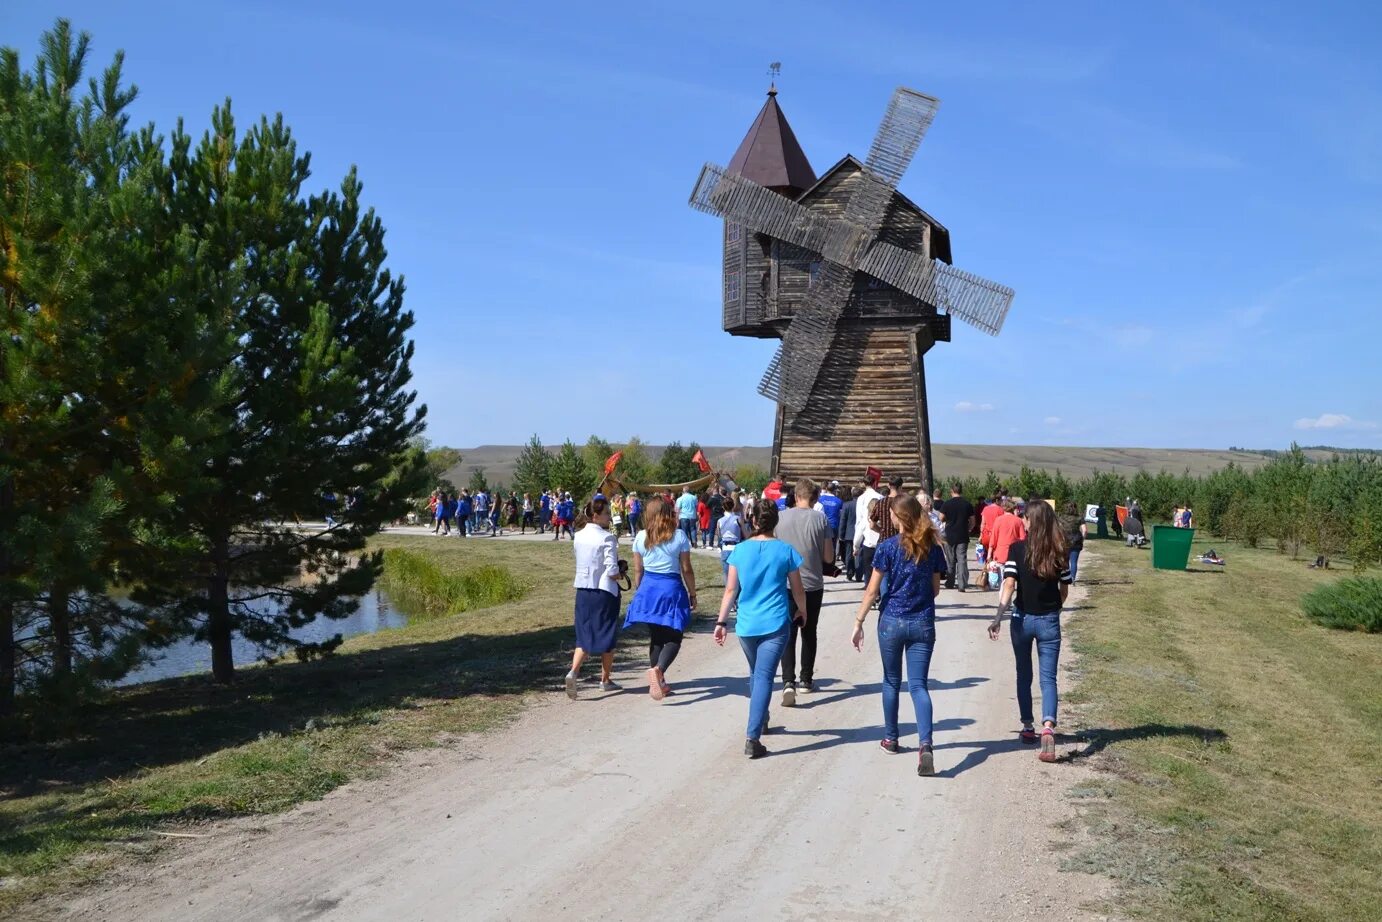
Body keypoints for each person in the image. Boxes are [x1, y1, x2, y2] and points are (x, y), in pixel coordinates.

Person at [851, 495, 948, 776]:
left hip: (891, 621)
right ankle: (926, 745)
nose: (890, 518)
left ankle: (891, 738)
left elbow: (872, 591)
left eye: (893, 514)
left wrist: (858, 621)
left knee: (891, 681)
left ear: (901, 517)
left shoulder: (887, 548)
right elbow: (936, 589)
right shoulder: (933, 548)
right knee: (919, 686)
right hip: (922, 622)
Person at [714, 499, 807, 759]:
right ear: (775, 521)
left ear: (753, 521)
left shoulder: (740, 551)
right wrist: (803, 610)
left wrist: (721, 622)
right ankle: (752, 737)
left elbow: (731, 590)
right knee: (764, 676)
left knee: (756, 673)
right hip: (775, 623)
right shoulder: (785, 551)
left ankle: (762, 717)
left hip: (746, 625)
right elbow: (797, 589)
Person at [987, 500, 1071, 762]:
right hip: (1049, 621)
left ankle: (1027, 727)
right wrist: (1056, 608)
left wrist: (998, 617)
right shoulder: (1059, 550)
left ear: (1032, 521)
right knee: (1049, 678)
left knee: (1024, 674)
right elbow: (1065, 588)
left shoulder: (1017, 549)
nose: (1022, 521)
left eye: (1025, 518)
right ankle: (1048, 726)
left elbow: (1009, 584)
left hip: (1022, 619)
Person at [625, 497, 697, 699]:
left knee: (656, 638)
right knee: (675, 636)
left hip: (649, 588)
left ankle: (658, 680)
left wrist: (640, 593)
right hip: (671, 588)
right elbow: (686, 569)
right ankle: (659, 671)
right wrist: (692, 592)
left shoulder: (640, 537)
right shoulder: (679, 536)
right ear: (667, 512)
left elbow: (638, 570)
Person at [775, 478, 835, 703]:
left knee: (787, 633)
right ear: (815, 498)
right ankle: (806, 679)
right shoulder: (821, 519)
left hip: (786, 584)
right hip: (812, 583)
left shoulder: (780, 518)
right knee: (809, 632)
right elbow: (829, 557)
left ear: (795, 495)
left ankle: (788, 680)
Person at [565, 498, 623, 697]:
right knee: (607, 633)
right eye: (607, 514)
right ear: (595, 516)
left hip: (583, 589)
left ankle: (573, 671)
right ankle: (605, 679)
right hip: (603, 591)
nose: (609, 517)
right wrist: (621, 573)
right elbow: (611, 569)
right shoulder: (607, 538)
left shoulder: (578, 536)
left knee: (584, 634)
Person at [938, 483, 975, 591]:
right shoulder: (967, 504)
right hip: (962, 534)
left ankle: (950, 582)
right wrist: (968, 528)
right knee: (962, 559)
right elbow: (973, 521)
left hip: (949, 534)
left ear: (951, 491)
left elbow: (940, 518)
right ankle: (962, 584)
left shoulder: (947, 504)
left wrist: (948, 520)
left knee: (950, 560)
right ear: (961, 491)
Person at [853, 477, 883, 581]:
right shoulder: (880, 496)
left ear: (864, 484)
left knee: (868, 568)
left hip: (867, 535)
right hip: (880, 536)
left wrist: (856, 545)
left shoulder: (861, 498)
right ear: (874, 482)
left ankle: (869, 586)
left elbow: (859, 520)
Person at [1058, 501, 1087, 583]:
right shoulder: (1079, 518)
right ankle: (1073, 579)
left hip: (1064, 541)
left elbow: (1058, 529)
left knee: (1065, 561)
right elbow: (1084, 531)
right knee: (1074, 561)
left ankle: (1065, 578)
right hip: (1076, 541)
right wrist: (1082, 539)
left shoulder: (1061, 518)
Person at [837, 485, 857, 581]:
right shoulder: (862, 504)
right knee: (859, 554)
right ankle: (859, 573)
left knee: (849, 554)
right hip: (860, 533)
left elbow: (843, 520)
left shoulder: (847, 505)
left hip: (849, 533)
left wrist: (841, 534)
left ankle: (850, 573)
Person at [816, 480, 844, 546]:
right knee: (832, 546)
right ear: (835, 490)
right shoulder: (839, 501)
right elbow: (840, 513)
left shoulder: (820, 499)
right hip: (833, 525)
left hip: (822, 524)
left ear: (826, 488)